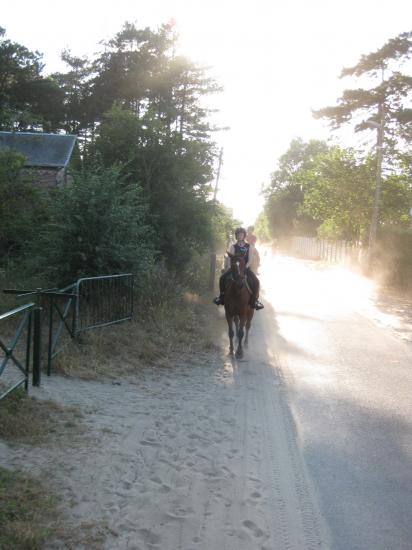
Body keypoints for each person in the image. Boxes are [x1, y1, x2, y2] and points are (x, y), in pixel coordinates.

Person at [213, 227, 264, 310]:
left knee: (256, 281)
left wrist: (245, 267)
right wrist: (230, 267)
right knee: (222, 278)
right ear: (236, 236)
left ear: (244, 235)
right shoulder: (233, 247)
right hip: (234, 268)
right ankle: (221, 297)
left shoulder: (249, 247)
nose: (240, 236)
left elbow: (250, 259)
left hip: (245, 268)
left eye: (241, 234)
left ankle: (255, 301)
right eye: (238, 234)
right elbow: (230, 258)